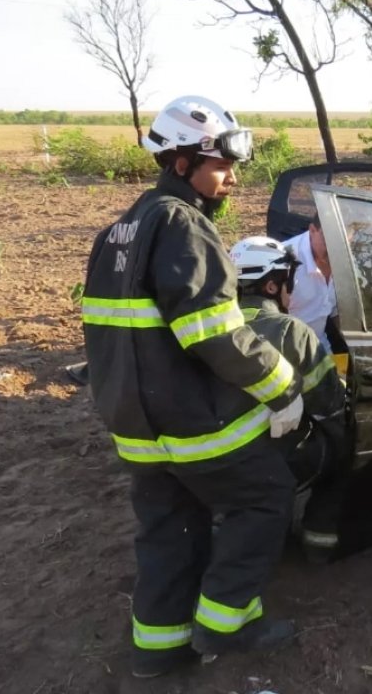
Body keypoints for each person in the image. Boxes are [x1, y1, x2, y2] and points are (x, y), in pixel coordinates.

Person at [81, 95, 305, 679]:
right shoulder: (184, 226)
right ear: (181, 163)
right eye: (221, 165)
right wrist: (284, 387)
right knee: (263, 498)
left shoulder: (116, 233)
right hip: (190, 424)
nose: (231, 178)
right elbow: (215, 334)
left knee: (169, 530)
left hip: (136, 428)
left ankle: (157, 655)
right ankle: (227, 625)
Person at [229, 235, 352, 555]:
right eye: (288, 281)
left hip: (217, 459)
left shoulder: (207, 328)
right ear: (272, 286)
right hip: (273, 460)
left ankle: (270, 532)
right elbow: (328, 403)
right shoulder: (291, 331)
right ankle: (318, 543)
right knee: (344, 445)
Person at [286, 213, 339, 354]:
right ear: (312, 230)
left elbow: (335, 311)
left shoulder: (348, 258)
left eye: (343, 239)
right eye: (328, 237)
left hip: (320, 346)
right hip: (285, 350)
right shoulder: (285, 261)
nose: (335, 246)